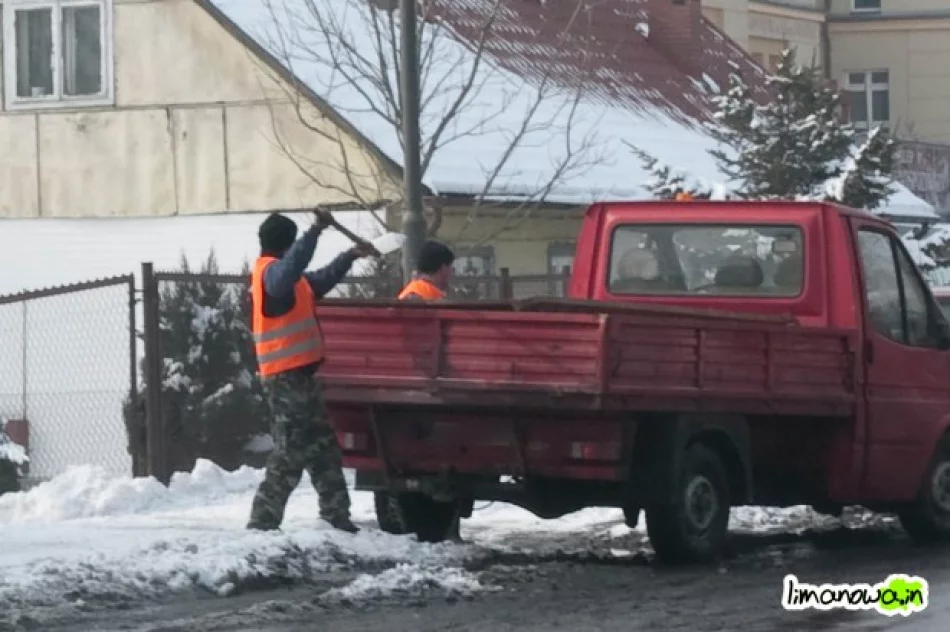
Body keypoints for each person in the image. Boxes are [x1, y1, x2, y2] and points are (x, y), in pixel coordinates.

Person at [247, 210, 375, 533]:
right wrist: (315, 231)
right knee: (289, 453)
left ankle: (336, 517)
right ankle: (262, 522)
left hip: (302, 378)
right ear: (288, 246)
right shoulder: (272, 276)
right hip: (284, 378)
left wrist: (349, 256)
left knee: (322, 448)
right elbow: (292, 269)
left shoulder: (293, 282)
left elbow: (321, 279)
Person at [395, 240, 465, 542]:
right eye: (450, 268)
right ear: (441, 268)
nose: (452, 274)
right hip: (427, 387)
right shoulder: (419, 297)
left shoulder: (418, 293)